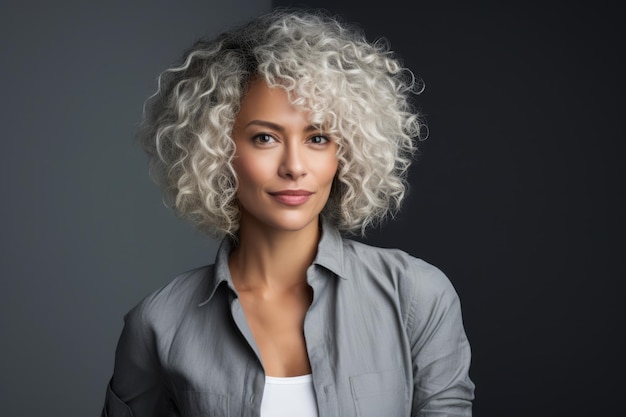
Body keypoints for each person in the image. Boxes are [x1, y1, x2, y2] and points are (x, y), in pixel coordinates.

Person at [101, 8, 474, 417]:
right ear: (215, 151)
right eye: (265, 138)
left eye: (317, 137)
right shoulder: (159, 323)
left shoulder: (416, 297)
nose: (295, 166)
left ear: (344, 152)